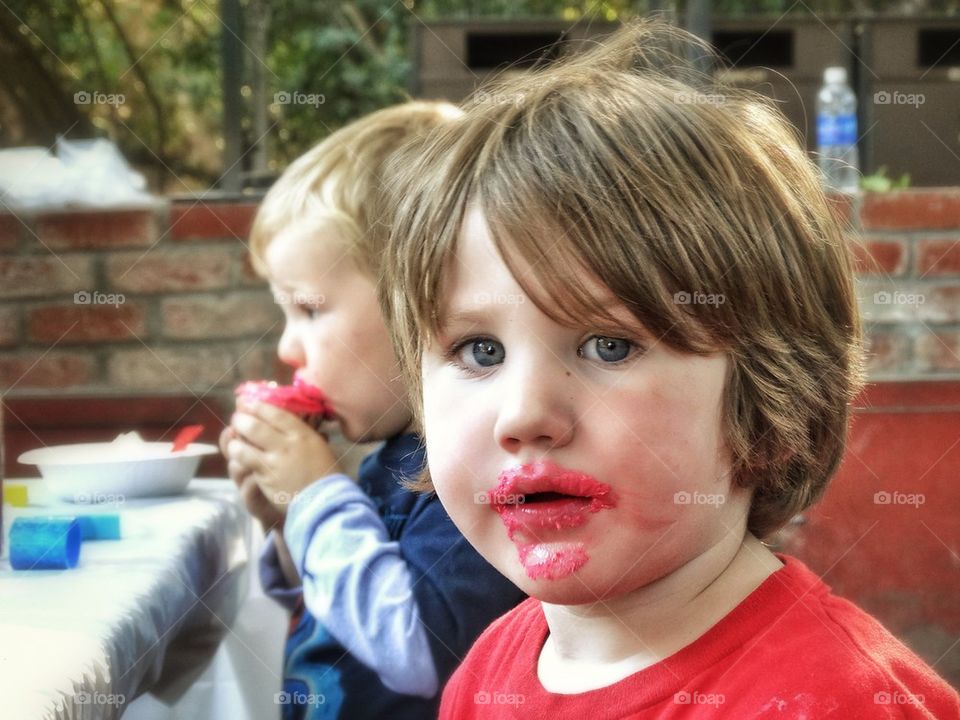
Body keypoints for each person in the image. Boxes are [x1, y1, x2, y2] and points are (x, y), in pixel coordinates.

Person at [378, 21, 960, 719]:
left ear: (770, 393)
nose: (525, 413)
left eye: (609, 346)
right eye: (480, 351)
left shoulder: (840, 702)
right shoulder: (488, 671)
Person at [219, 101, 525, 720]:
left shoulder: (468, 473)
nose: (285, 346)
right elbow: (341, 615)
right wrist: (287, 524)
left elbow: (417, 650)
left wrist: (315, 500)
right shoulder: (396, 458)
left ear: (416, 303)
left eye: (308, 309)